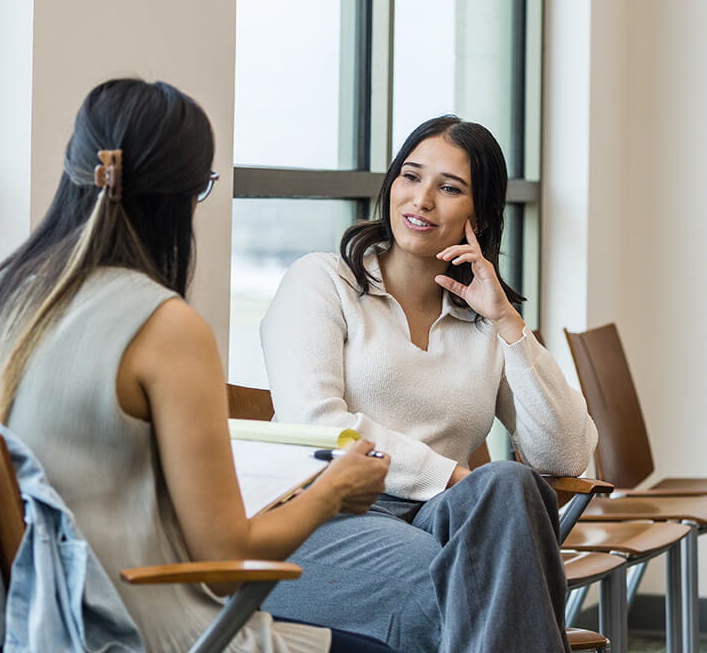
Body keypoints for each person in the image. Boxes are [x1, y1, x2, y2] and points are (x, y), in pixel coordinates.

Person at [0, 77, 396, 653]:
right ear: (180, 197)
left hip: (32, 625)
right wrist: (334, 488)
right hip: (135, 626)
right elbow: (226, 557)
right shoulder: (164, 326)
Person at [257, 115, 600, 653]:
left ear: (481, 214)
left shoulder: (483, 319)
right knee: (475, 587)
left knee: (509, 484)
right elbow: (316, 422)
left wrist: (508, 323)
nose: (421, 200)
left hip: (437, 523)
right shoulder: (325, 281)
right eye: (411, 177)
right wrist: (451, 476)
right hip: (320, 518)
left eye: (449, 188)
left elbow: (567, 452)